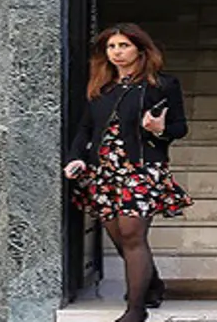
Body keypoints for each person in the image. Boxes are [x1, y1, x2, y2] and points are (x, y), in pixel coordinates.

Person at [64, 23, 192, 322]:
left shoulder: (162, 85)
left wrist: (159, 130)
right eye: (112, 47)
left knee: (133, 234)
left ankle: (136, 310)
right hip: (104, 172)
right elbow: (86, 128)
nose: (117, 52)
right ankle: (152, 285)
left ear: (140, 49)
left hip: (141, 169)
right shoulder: (102, 87)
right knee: (119, 235)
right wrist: (76, 158)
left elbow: (179, 127)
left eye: (124, 46)